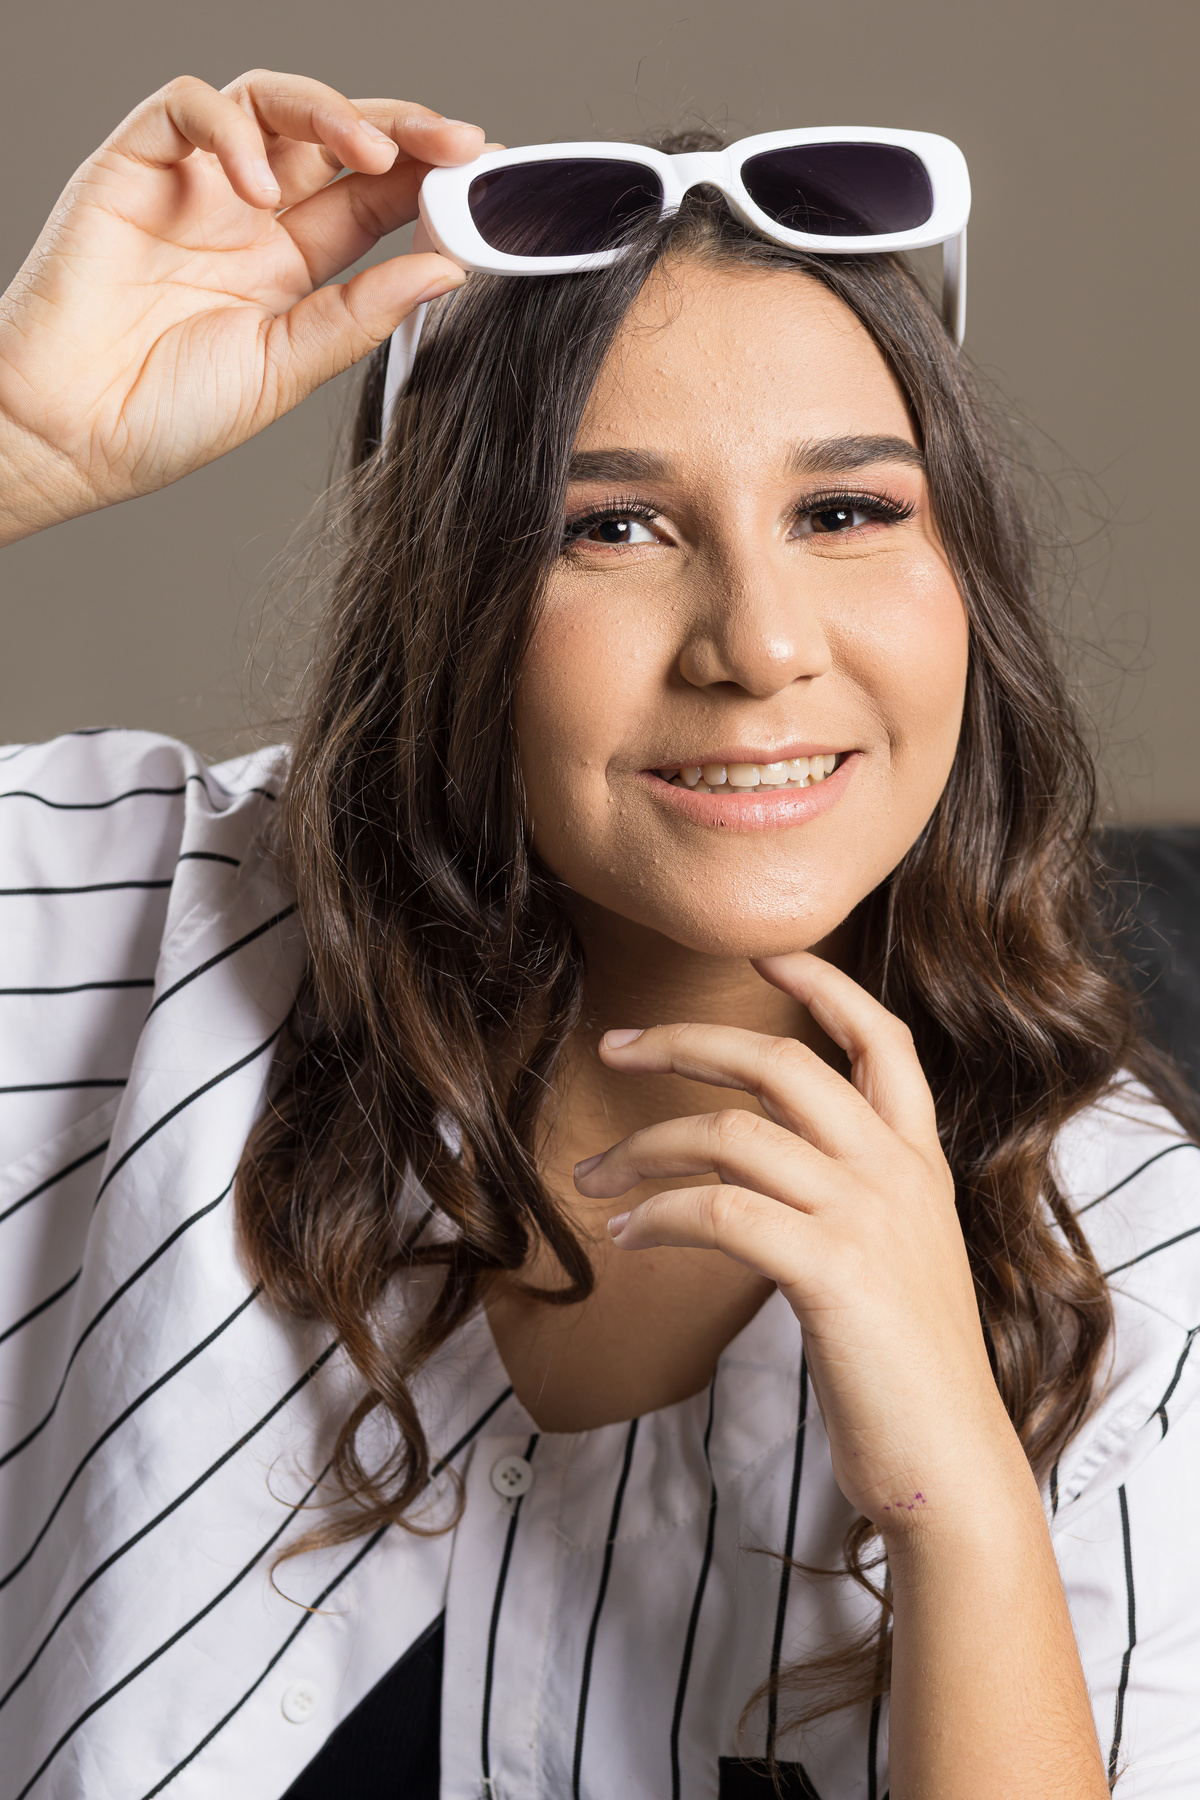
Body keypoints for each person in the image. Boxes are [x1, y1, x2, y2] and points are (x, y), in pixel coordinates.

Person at [1, 69, 1198, 1800]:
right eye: (612, 526)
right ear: (456, 598)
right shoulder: (144, 925)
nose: (761, 643)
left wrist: (961, 1509)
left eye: (848, 510)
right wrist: (20, 439)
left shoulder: (1127, 1267)